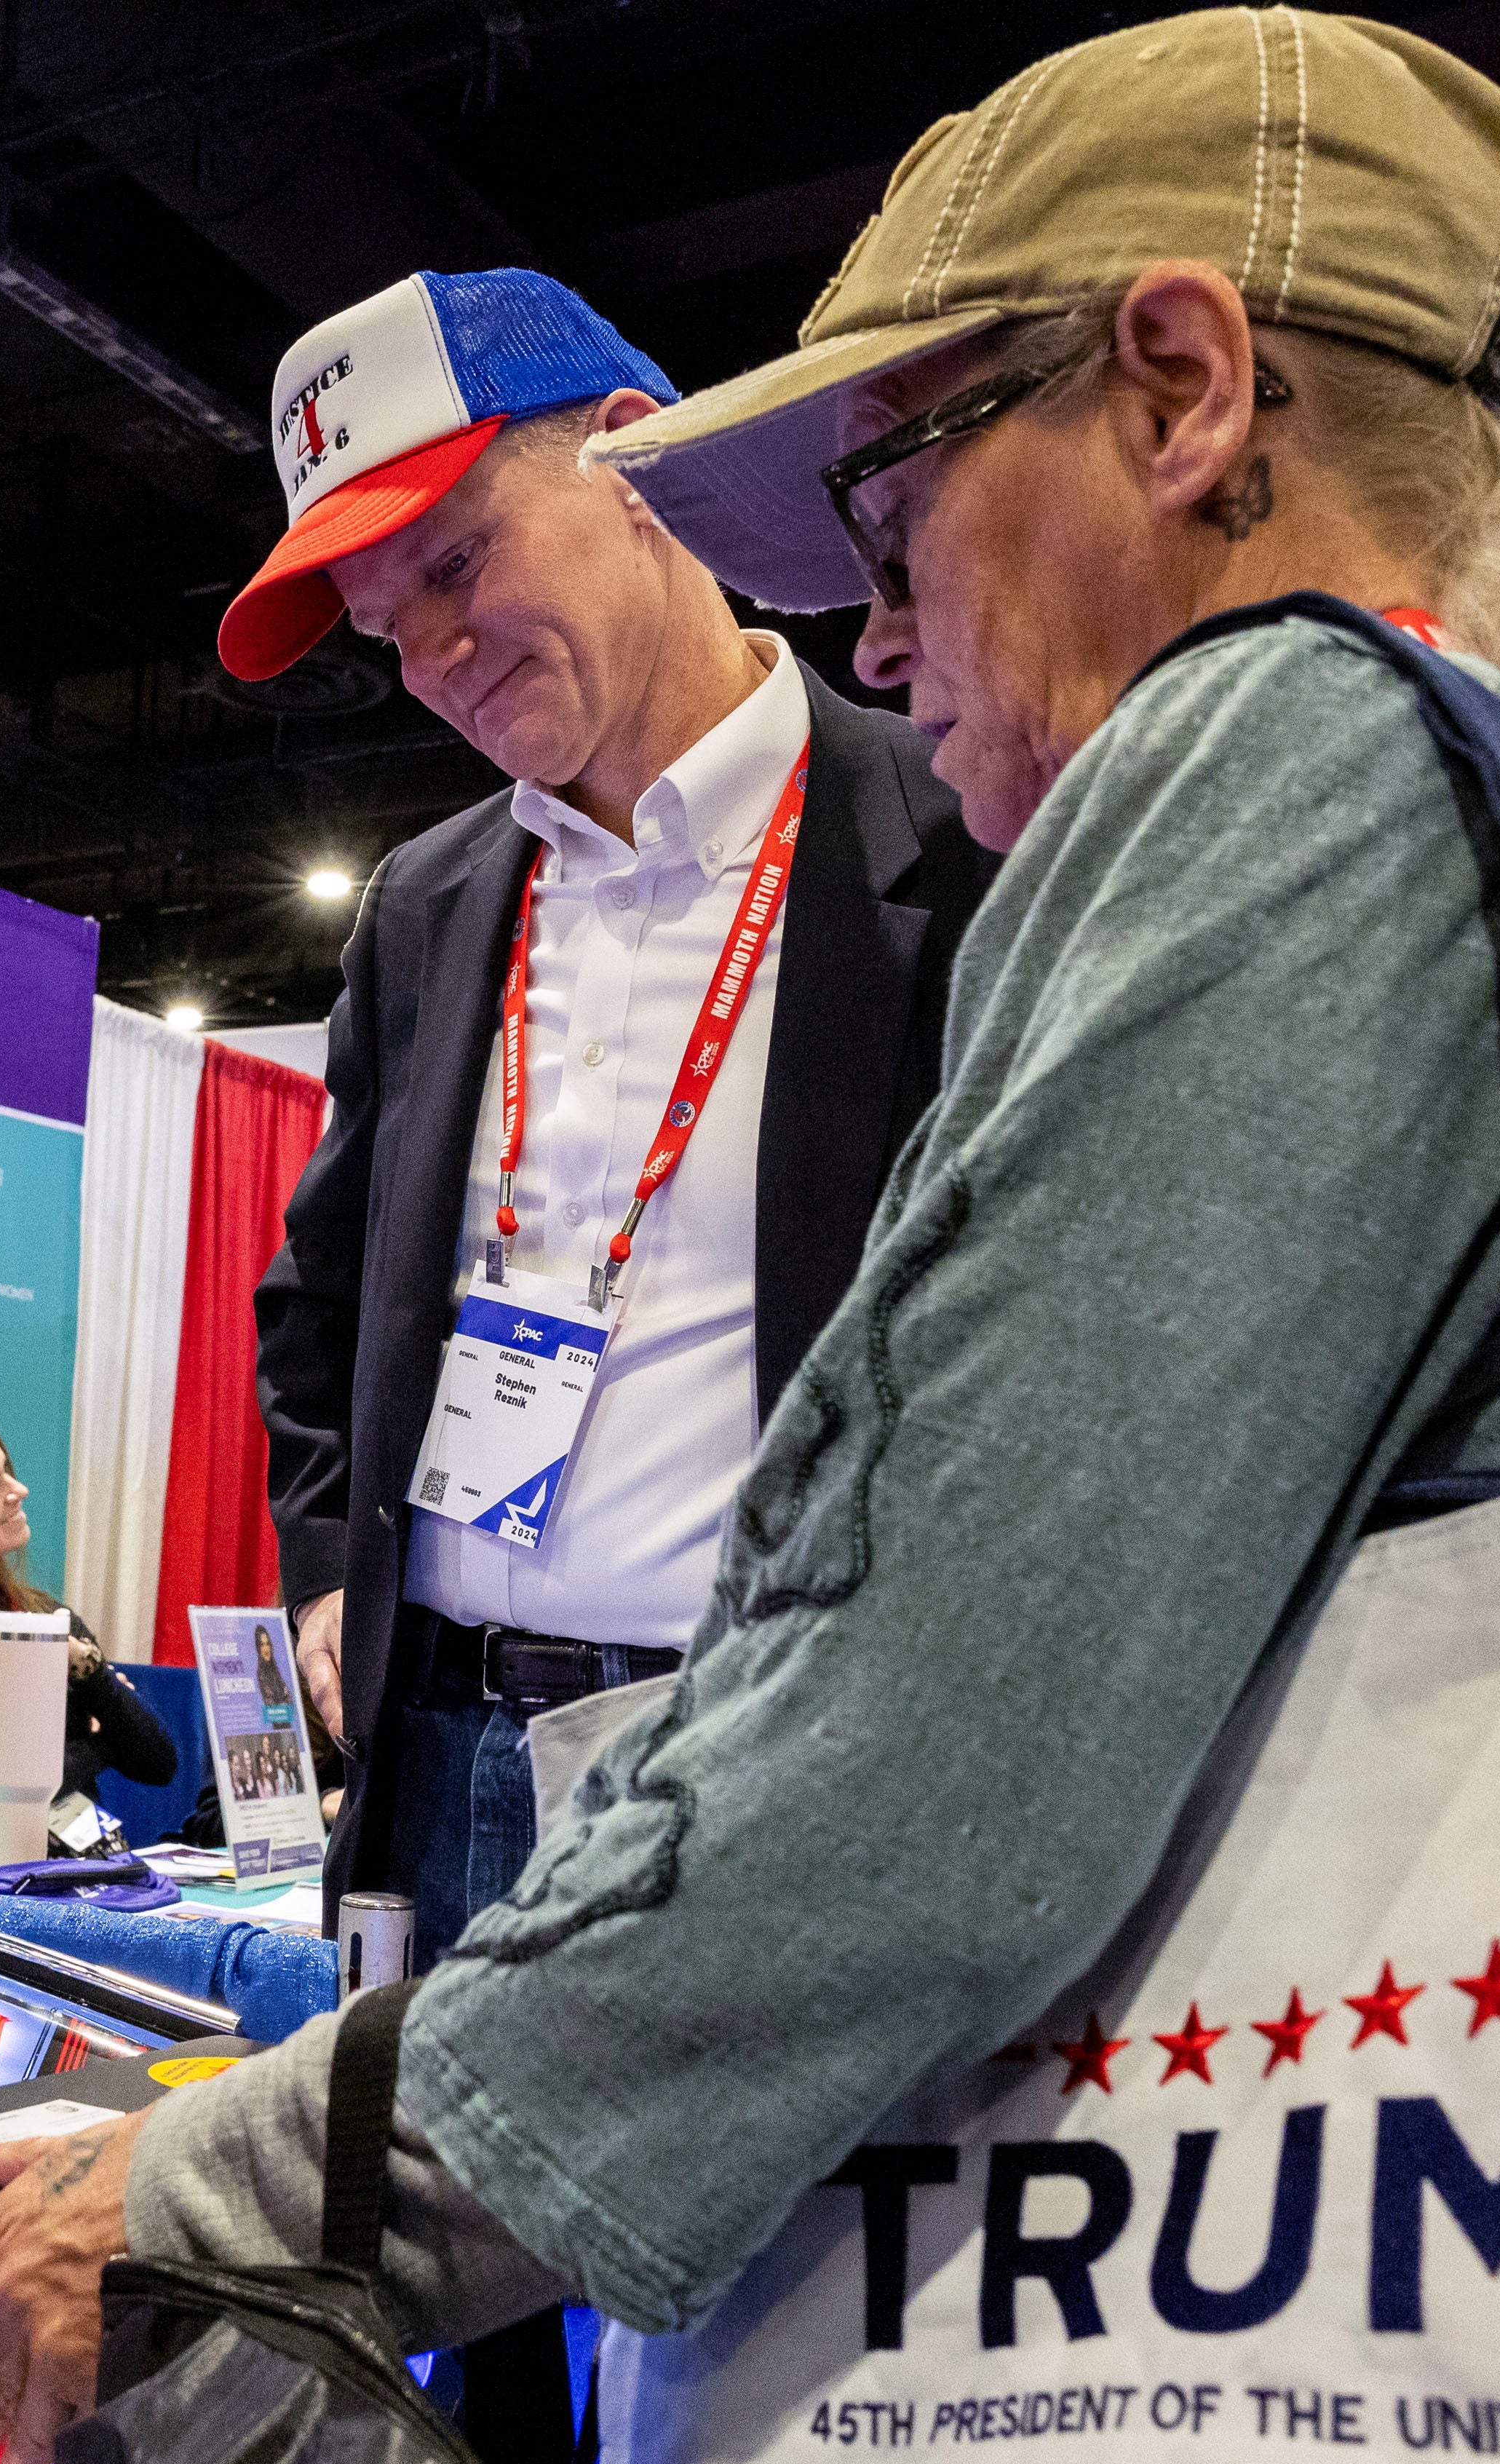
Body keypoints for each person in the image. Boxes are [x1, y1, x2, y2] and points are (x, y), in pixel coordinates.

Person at [0, 6, 1500, 2464]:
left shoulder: (1279, 758)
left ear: (1183, 393)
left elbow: (922, 1785)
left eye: (895, 500)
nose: (879, 629)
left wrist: (213, 2180)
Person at [232, 267, 1002, 1955]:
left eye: (454, 559)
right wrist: (321, 1575)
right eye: (381, 623)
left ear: (634, 464)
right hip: (431, 1766)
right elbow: (319, 1299)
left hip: (752, 1764)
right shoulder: (428, 909)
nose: (430, 654)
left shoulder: (956, 846)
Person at [0, 1414, 178, 1864]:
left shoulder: (43, 1612)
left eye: (8, 1473)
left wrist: (89, 1675)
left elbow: (156, 1760)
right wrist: (99, 1741)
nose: (19, 1491)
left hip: (86, 1865)